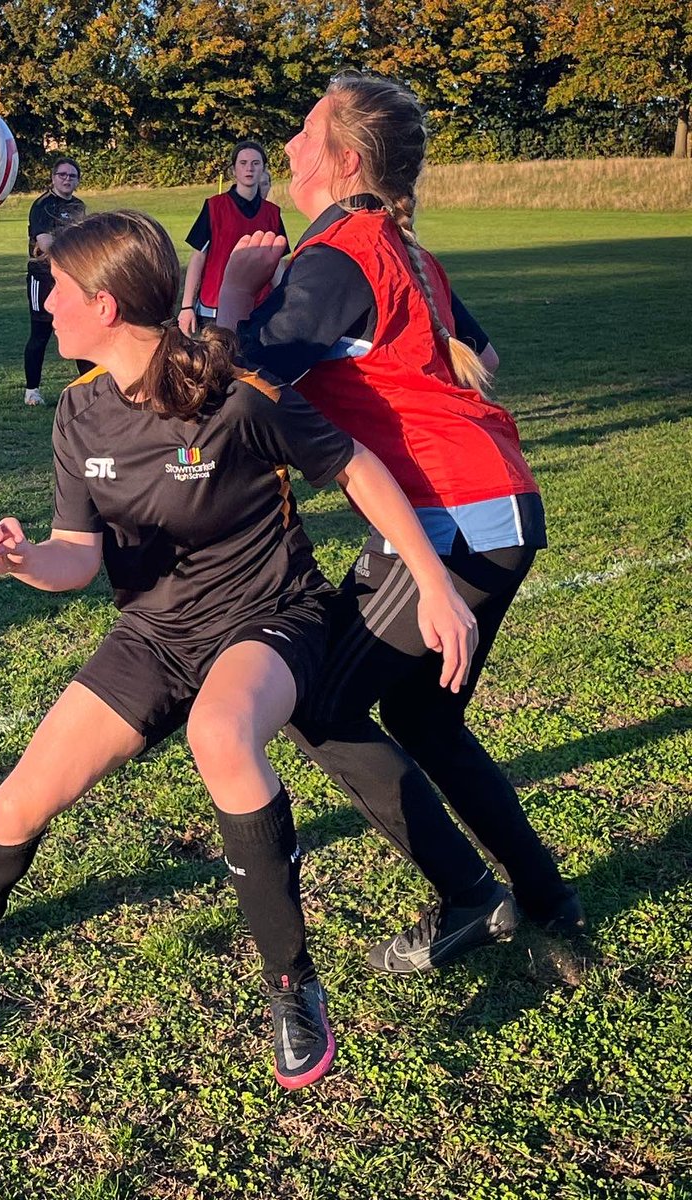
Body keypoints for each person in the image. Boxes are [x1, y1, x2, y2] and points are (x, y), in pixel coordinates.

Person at [0, 210, 480, 1090]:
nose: (43, 301)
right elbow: (76, 560)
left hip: (270, 615)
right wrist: (18, 561)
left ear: (106, 305)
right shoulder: (80, 413)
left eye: (56, 287)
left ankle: (291, 984)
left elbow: (353, 466)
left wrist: (427, 579)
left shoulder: (233, 391)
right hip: (153, 634)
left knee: (221, 735)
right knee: (18, 801)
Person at [216, 71, 584, 973]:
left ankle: (469, 898)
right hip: (498, 503)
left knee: (319, 699)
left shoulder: (339, 254)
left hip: (456, 517)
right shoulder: (398, 247)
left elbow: (237, 383)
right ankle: (548, 901)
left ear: (343, 158)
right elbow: (480, 356)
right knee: (425, 716)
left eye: (306, 132)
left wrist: (233, 300)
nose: (291, 145)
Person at [178, 141, 285, 337]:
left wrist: (284, 303)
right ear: (234, 170)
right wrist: (187, 307)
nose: (249, 168)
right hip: (215, 307)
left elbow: (275, 264)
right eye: (243, 163)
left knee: (250, 366)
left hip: (258, 308)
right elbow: (198, 257)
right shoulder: (214, 207)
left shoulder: (272, 213)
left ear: (263, 169)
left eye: (255, 163)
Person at [23, 157, 91, 406]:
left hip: (73, 277)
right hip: (43, 277)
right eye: (62, 175)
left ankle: (88, 387)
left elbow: (85, 241)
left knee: (80, 331)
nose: (67, 179)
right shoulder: (42, 205)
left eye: (72, 176)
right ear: (53, 178)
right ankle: (32, 390)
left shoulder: (79, 206)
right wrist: (71, 251)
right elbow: (45, 243)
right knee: (40, 333)